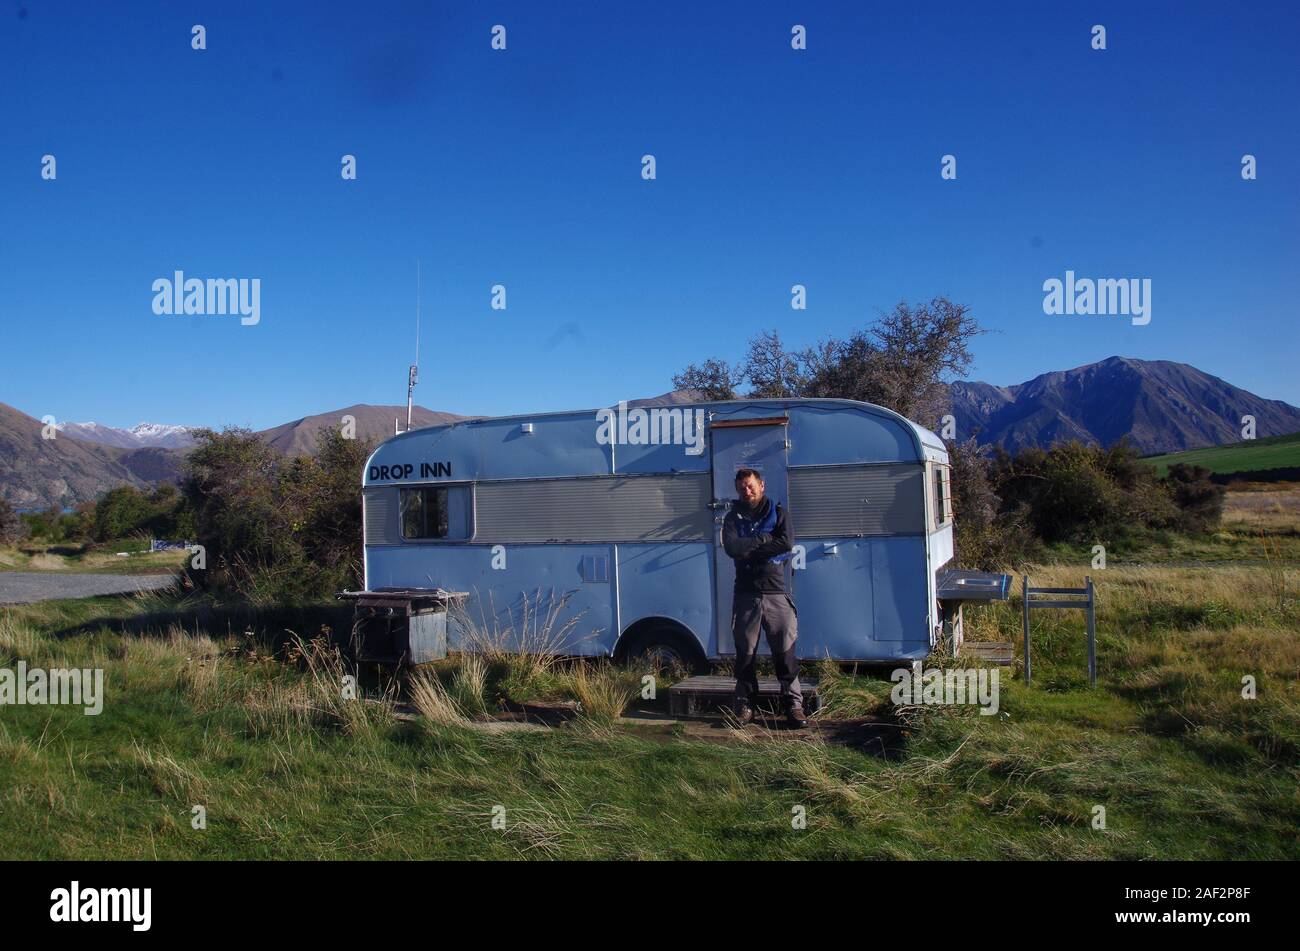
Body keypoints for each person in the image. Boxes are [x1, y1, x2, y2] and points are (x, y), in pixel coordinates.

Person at [721, 467, 807, 728]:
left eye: (750, 486)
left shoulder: (779, 513)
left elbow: (786, 543)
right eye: (741, 488)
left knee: (785, 652)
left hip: (776, 592)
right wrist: (764, 540)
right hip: (746, 595)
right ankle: (746, 705)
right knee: (745, 655)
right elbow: (732, 548)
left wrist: (752, 549)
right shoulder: (732, 519)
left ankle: (793, 705)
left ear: (762, 485)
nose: (746, 491)